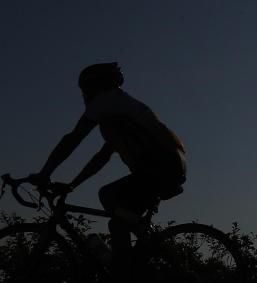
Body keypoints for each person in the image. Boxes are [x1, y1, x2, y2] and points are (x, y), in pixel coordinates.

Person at [27, 62, 186, 266]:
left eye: (84, 90)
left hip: (160, 166)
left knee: (117, 220)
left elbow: (73, 139)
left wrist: (45, 173)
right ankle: (137, 252)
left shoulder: (106, 101)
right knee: (109, 198)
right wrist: (73, 184)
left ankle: (124, 276)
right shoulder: (119, 108)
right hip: (164, 165)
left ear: (95, 86)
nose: (83, 96)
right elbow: (101, 158)